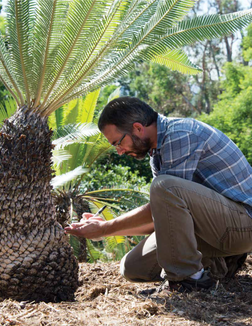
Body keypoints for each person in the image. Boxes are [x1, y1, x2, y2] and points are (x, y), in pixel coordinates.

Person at [65, 97, 252, 292]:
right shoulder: (157, 153)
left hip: (244, 226)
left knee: (164, 186)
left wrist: (105, 229)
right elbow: (165, 217)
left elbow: (163, 199)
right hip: (215, 228)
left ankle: (188, 278)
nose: (119, 151)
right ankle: (219, 262)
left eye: (118, 143)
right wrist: (102, 228)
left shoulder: (181, 134)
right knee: (133, 267)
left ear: (138, 128)